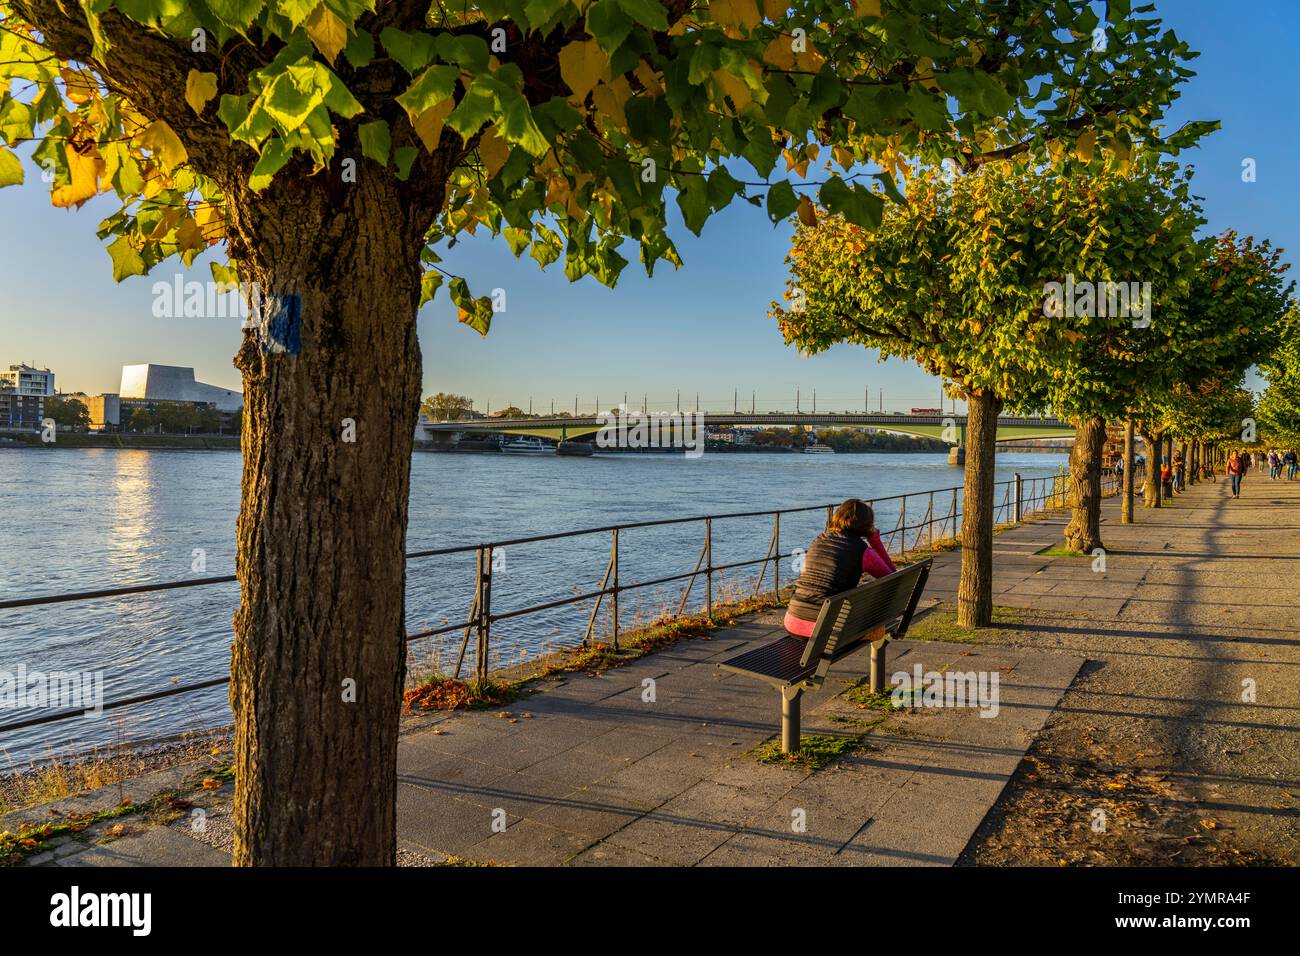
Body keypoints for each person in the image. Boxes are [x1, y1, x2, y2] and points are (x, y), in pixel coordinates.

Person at [784, 498, 896, 639]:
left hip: (792, 622)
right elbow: (893, 577)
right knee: (878, 628)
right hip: (827, 630)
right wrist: (875, 542)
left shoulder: (819, 539)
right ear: (867, 524)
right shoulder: (863, 551)